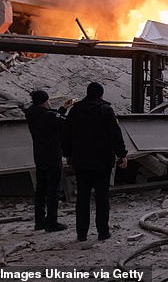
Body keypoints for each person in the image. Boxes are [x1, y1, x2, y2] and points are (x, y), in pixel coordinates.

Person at [63, 82, 128, 242]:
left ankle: (81, 233)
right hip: (102, 161)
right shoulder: (106, 110)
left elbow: (65, 135)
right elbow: (115, 134)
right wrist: (122, 155)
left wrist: (68, 155)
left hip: (81, 161)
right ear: (101, 94)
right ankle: (103, 232)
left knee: (82, 198)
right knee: (102, 197)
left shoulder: (75, 111)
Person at [24, 90, 74, 232]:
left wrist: (63, 108)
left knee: (41, 189)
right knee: (53, 190)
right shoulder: (48, 116)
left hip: (39, 156)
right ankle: (52, 222)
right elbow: (64, 123)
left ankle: (39, 221)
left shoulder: (33, 115)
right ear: (45, 101)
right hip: (52, 156)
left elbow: (53, 118)